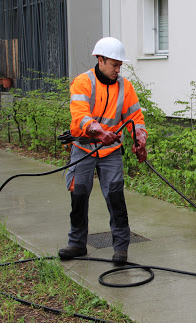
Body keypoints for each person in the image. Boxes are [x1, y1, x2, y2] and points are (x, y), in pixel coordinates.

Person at [58, 37, 147, 265]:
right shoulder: (82, 82)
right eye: (114, 65)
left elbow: (135, 118)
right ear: (100, 59)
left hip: (111, 153)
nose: (118, 69)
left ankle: (121, 248)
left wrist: (140, 140)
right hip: (83, 148)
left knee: (116, 197)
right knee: (78, 197)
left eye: (120, 65)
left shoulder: (125, 87)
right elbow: (80, 116)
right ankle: (77, 244)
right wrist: (97, 131)